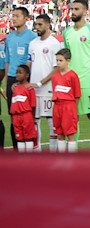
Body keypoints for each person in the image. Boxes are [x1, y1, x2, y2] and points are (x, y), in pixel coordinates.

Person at [63, 0, 90, 146]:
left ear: (85, 12)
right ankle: (73, 151)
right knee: (73, 116)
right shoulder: (67, 32)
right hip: (71, 81)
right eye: (72, 9)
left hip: (88, 79)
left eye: (76, 9)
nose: (73, 11)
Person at [4, 7, 37, 151]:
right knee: (13, 116)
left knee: (27, 116)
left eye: (17, 16)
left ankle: (30, 148)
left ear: (26, 18)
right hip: (12, 79)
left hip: (25, 82)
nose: (14, 18)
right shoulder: (9, 38)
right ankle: (17, 149)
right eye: (13, 16)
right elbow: (7, 61)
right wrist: (6, 84)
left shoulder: (32, 37)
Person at [27, 14, 62, 152]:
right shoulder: (33, 44)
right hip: (32, 89)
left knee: (51, 120)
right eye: (36, 24)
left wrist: (40, 83)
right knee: (34, 121)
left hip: (48, 88)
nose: (37, 27)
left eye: (40, 24)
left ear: (48, 25)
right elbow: (28, 64)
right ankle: (37, 151)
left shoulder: (54, 43)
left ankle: (53, 153)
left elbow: (56, 68)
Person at [51, 48, 81, 152]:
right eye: (57, 60)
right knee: (59, 133)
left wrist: (73, 110)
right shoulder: (54, 76)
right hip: (57, 106)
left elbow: (77, 95)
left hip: (68, 106)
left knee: (70, 134)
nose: (58, 63)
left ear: (68, 61)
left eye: (61, 60)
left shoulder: (73, 75)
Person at [10, 65, 37, 152]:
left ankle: (29, 159)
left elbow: (33, 105)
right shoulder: (15, 88)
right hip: (16, 117)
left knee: (28, 137)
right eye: (17, 73)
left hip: (26, 116)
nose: (17, 75)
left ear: (27, 75)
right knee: (19, 138)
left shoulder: (29, 88)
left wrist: (33, 118)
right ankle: (21, 159)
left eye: (20, 73)